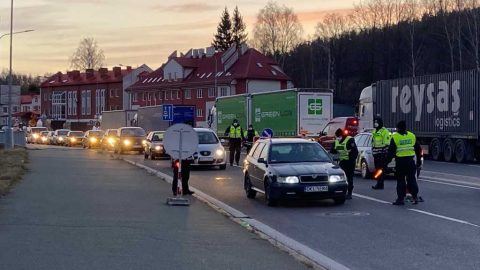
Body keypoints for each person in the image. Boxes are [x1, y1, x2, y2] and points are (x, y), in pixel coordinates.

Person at [386, 121, 422, 205]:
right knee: (412, 180)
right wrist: (419, 160)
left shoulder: (395, 137)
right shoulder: (411, 135)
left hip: (400, 162)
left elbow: (391, 152)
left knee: (401, 181)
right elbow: (418, 149)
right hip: (410, 162)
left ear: (398, 128)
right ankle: (415, 197)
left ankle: (400, 199)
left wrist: (386, 163)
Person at [330, 128, 358, 199]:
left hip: (350, 161)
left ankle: (349, 193)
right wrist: (334, 152)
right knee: (341, 177)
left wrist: (351, 160)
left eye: (339, 137)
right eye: (337, 137)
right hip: (342, 161)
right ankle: (340, 192)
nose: (338, 138)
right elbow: (332, 151)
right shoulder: (336, 141)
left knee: (349, 177)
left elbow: (355, 152)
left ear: (342, 136)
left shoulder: (349, 140)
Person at [371, 117, 391, 190]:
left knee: (381, 170)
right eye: (375, 122)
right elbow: (373, 143)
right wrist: (373, 151)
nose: (375, 123)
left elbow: (387, 144)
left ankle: (380, 184)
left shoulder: (384, 131)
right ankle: (379, 183)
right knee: (377, 170)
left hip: (382, 154)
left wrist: (384, 154)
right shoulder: (374, 131)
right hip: (376, 154)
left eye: (376, 122)